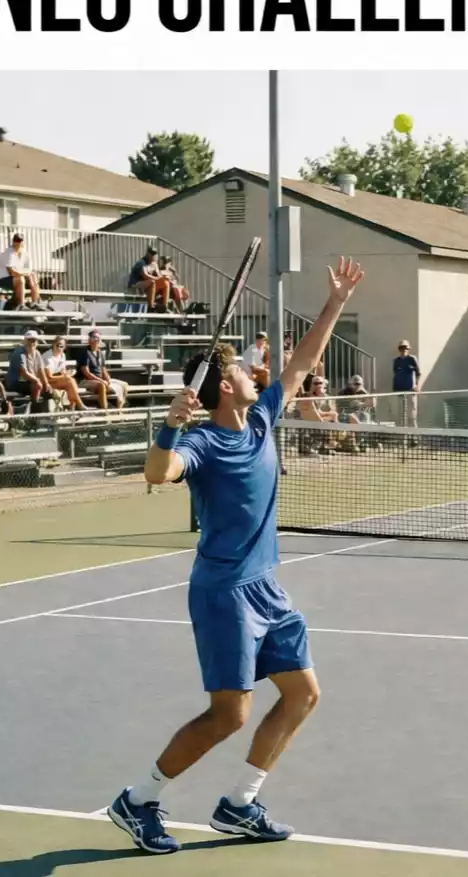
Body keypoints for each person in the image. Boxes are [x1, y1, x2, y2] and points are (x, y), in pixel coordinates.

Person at [106, 256, 364, 855]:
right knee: (229, 715)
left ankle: (239, 804)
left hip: (266, 586)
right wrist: (168, 427)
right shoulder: (202, 439)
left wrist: (335, 305)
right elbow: (158, 473)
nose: (260, 372)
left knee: (302, 693)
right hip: (223, 592)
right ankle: (138, 799)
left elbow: (302, 365)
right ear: (225, 386)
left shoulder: (262, 419)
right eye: (249, 370)